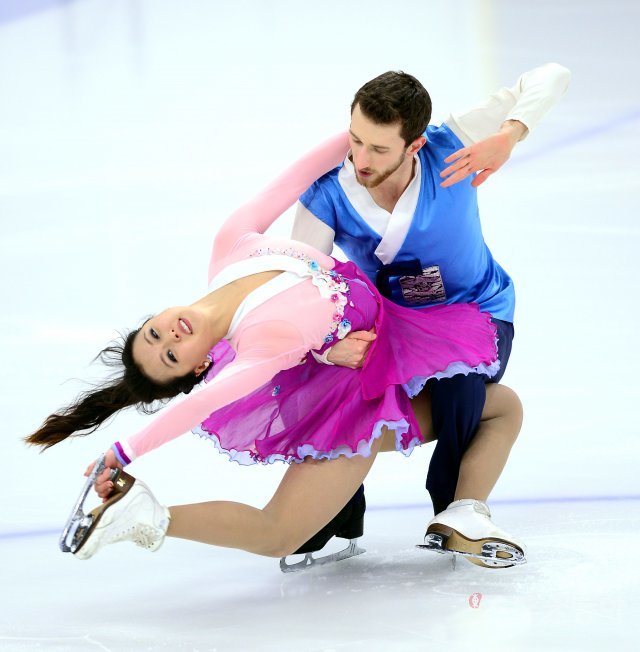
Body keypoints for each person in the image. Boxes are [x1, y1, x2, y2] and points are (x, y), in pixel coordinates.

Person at [25, 132, 524, 568]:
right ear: (201, 363)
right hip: (356, 407)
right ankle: (146, 516)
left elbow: (295, 177)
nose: (169, 338)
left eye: (154, 335)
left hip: (393, 339)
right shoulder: (260, 343)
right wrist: (123, 452)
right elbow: (200, 403)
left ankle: (457, 510)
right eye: (173, 357)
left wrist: (366, 133)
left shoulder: (231, 248)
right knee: (277, 531)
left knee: (501, 407)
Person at [291, 63, 570, 552]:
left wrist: (509, 134)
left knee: (459, 381)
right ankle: (337, 511)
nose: (360, 157)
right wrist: (328, 350)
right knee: (331, 378)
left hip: (480, 309)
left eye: (379, 148)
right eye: (355, 139)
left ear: (414, 144)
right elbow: (302, 285)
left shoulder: (450, 145)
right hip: (399, 324)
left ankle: (454, 510)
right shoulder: (327, 193)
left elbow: (552, 74)